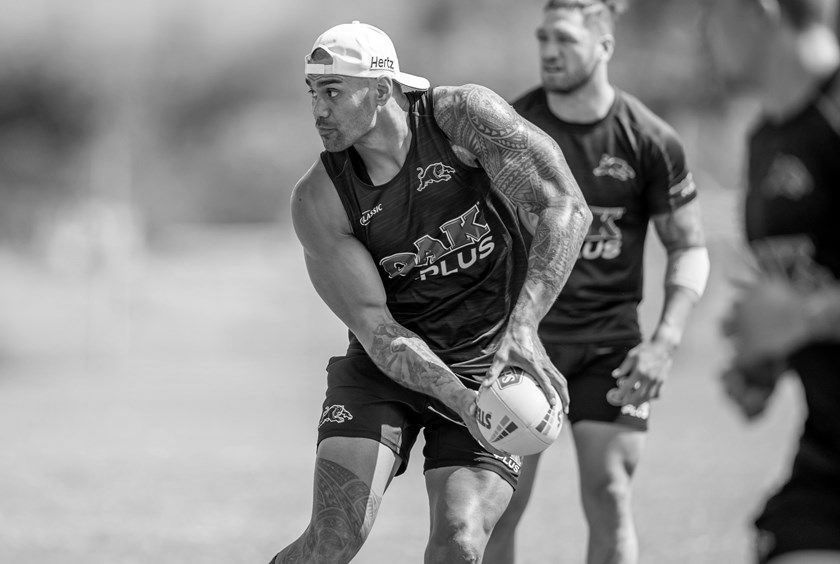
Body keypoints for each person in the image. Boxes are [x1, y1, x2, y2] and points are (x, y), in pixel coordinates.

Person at [269, 20, 592, 564]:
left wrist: (524, 326)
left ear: (381, 88)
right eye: (313, 94)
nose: (319, 110)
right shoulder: (319, 201)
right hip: (384, 370)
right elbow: (377, 327)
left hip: (487, 364)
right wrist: (460, 400)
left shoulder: (461, 119)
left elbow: (564, 206)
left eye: (333, 92)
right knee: (332, 542)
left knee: (461, 542)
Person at [484, 2, 709, 563]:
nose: (549, 51)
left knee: (609, 492)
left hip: (610, 345)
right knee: (501, 504)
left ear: (604, 47)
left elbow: (688, 246)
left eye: (563, 38)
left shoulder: (649, 139)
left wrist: (666, 341)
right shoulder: (512, 130)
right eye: (542, 38)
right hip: (522, 346)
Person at [706, 0, 840, 562]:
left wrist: (803, 318)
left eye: (709, 10)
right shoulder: (765, 138)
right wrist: (764, 360)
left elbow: (804, 309)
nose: (701, 28)